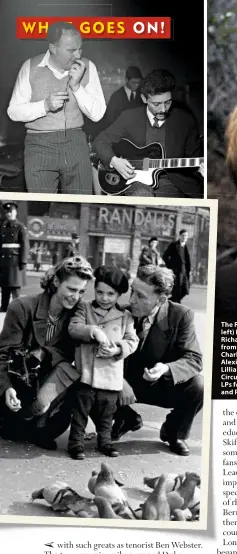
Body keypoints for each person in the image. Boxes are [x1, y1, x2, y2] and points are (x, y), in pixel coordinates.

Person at [0, 256, 93, 450]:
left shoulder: (78, 314)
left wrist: (44, 353)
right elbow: (4, 354)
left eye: (81, 291)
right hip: (17, 391)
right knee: (12, 428)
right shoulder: (22, 307)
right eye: (71, 289)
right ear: (56, 281)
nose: (75, 296)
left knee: (71, 369)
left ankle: (38, 423)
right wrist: (7, 388)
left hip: (48, 392)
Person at [111, 265, 203, 456]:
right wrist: (119, 381)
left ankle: (173, 433)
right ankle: (125, 418)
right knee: (86, 377)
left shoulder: (181, 315)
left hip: (160, 384)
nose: (132, 300)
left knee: (199, 384)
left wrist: (166, 369)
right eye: (133, 291)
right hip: (123, 384)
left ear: (161, 300)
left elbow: (194, 359)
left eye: (141, 296)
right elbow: (95, 355)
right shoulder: (119, 312)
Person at [7, 22, 106, 195]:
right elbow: (13, 111)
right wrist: (44, 106)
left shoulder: (88, 67)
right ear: (53, 48)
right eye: (71, 50)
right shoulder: (30, 67)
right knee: (40, 209)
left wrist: (76, 87)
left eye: (80, 49)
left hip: (76, 144)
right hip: (39, 146)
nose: (78, 55)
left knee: (81, 207)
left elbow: (97, 115)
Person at [94, 69, 204, 198]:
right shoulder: (128, 117)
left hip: (173, 182)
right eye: (156, 104)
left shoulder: (185, 120)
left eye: (168, 102)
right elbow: (100, 141)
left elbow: (194, 158)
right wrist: (114, 160)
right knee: (142, 196)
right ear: (144, 98)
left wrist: (202, 170)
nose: (163, 109)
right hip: (136, 179)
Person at [67, 265, 139, 460]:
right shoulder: (84, 308)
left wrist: (117, 349)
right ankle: (75, 444)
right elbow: (74, 328)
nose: (104, 298)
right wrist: (93, 331)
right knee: (80, 412)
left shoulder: (126, 317)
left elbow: (133, 341)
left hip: (110, 377)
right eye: (99, 292)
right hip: (86, 375)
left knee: (107, 414)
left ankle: (105, 443)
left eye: (110, 294)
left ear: (119, 295)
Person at [0, 201, 28, 312]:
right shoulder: (3, 226)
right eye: (7, 212)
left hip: (15, 261)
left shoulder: (20, 227)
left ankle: (16, 309)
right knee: (4, 285)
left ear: (15, 212)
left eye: (10, 211)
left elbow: (25, 244)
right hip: (3, 260)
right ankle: (4, 306)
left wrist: (23, 261)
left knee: (15, 286)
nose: (8, 214)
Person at [97, 66, 143, 132]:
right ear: (126, 80)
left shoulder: (143, 95)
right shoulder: (116, 97)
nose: (136, 85)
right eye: (133, 82)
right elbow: (109, 120)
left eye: (138, 82)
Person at [163, 229, 191, 303]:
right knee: (177, 290)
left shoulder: (185, 246)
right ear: (179, 236)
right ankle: (176, 303)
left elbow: (187, 260)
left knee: (185, 290)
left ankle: (171, 300)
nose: (185, 237)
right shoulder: (174, 245)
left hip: (184, 271)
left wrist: (188, 270)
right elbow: (165, 256)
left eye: (186, 236)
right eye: (183, 235)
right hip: (176, 271)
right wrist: (171, 267)